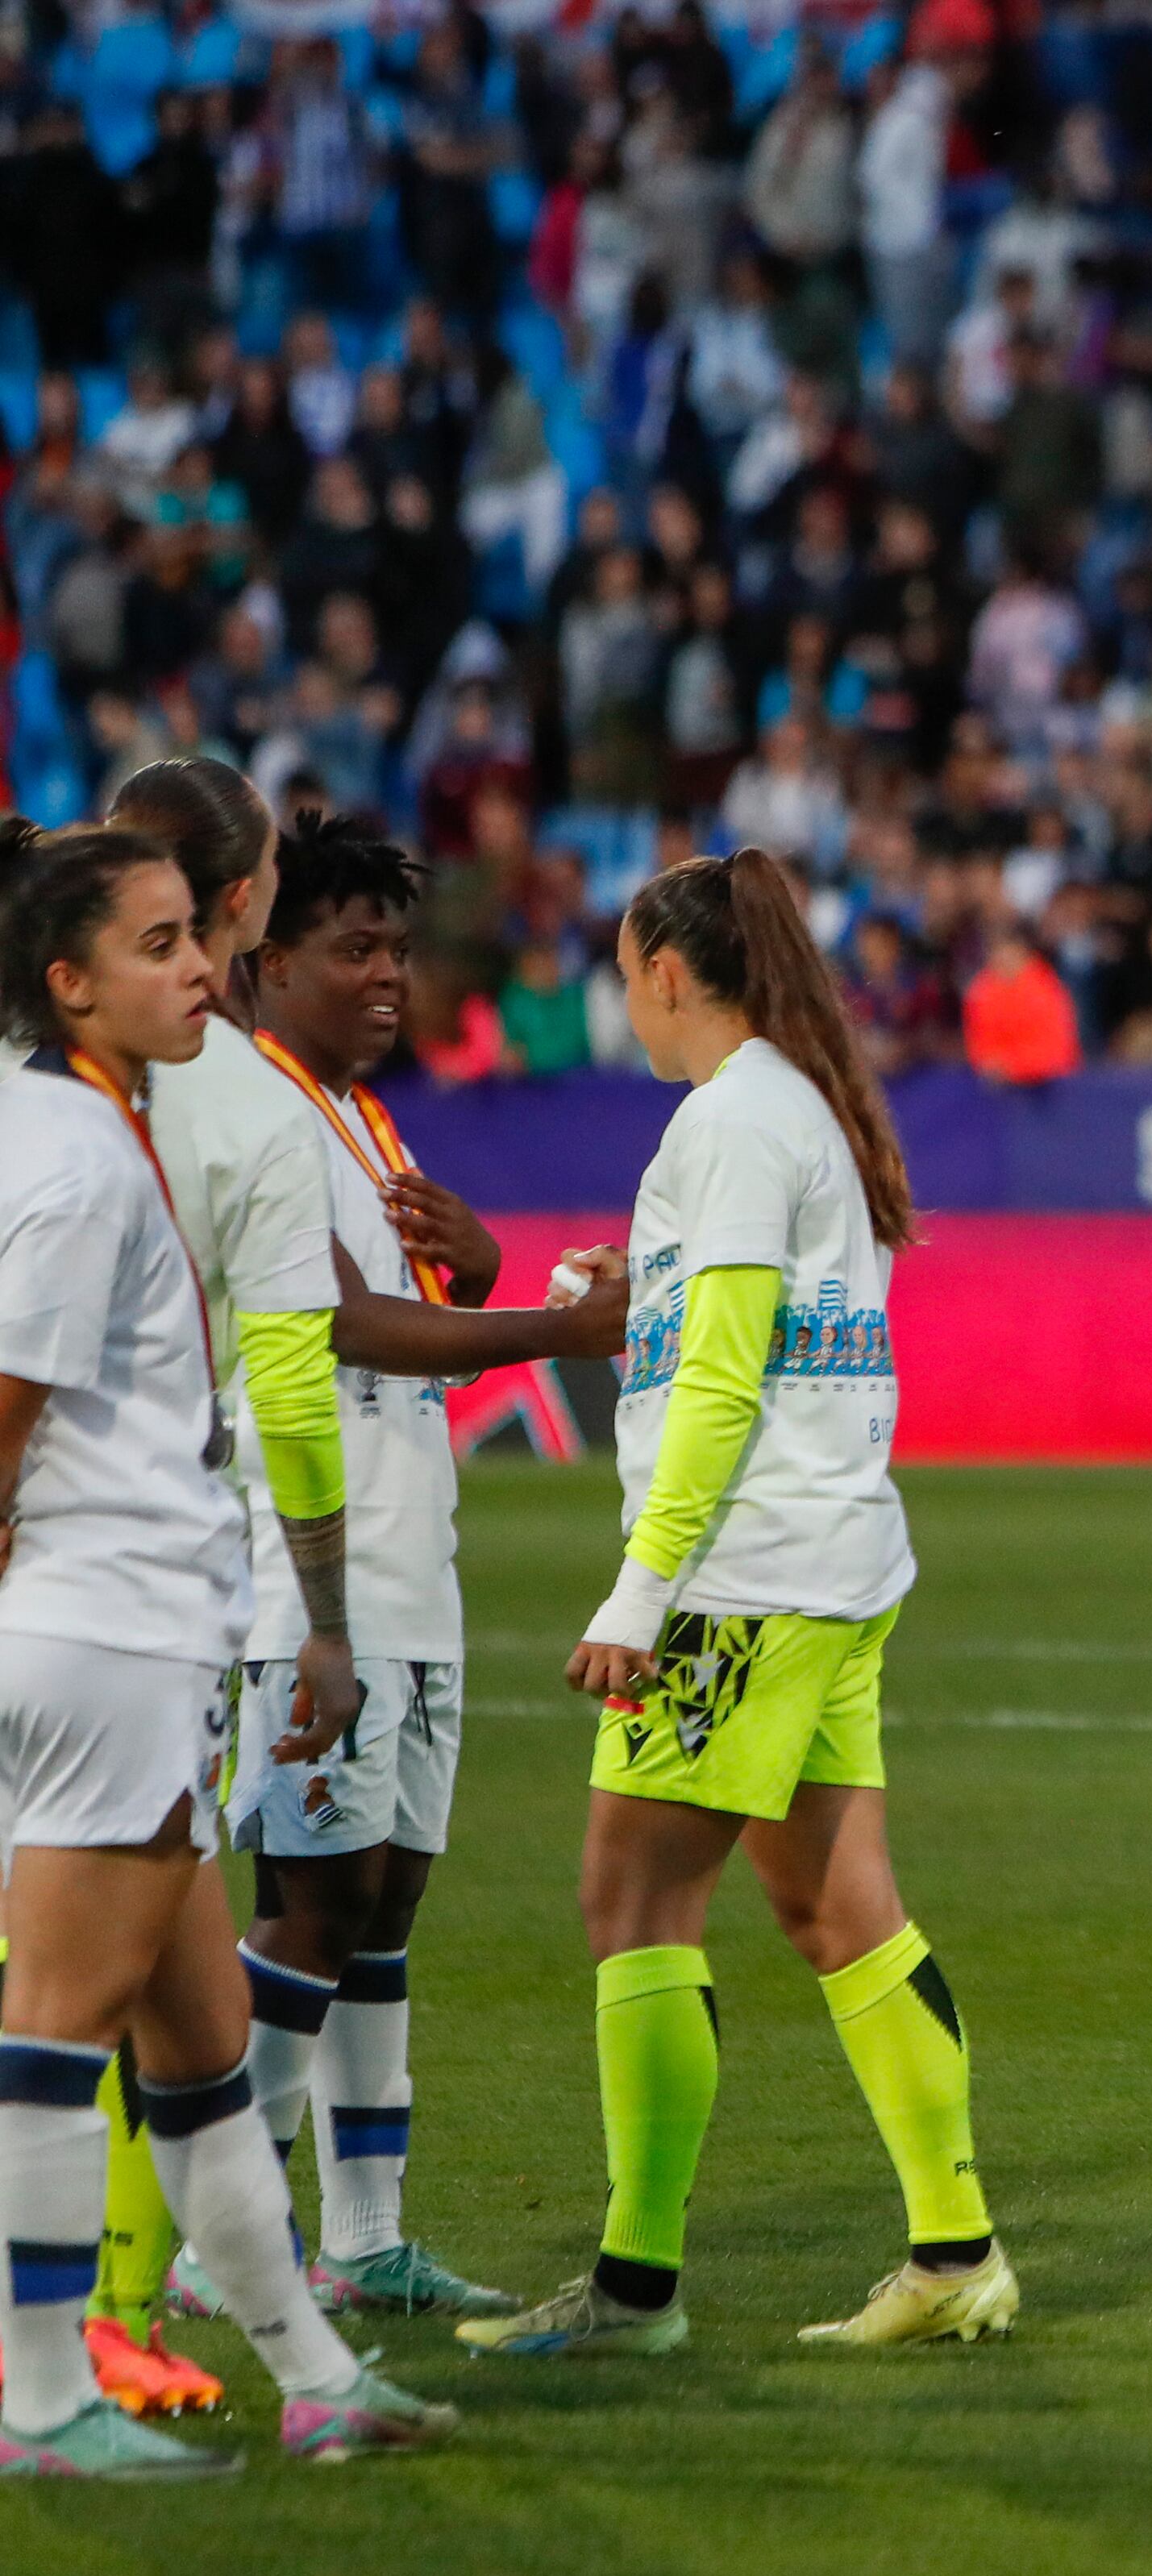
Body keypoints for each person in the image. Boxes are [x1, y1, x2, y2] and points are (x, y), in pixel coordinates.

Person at [461, 851, 1013, 2359]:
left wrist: (642, 1591)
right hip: (826, 1566)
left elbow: (722, 1381)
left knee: (632, 1896)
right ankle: (954, 2247)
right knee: (836, 1902)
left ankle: (636, 2288)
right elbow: (759, 1338)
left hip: (741, 1581)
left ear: (662, 970)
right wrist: (643, 1280)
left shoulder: (730, 1122)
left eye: (620, 969)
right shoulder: (796, 1109)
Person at [0, 819, 451, 2475]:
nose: (202, 966)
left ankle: (315, 2371)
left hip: (127, 1625)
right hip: (105, 1622)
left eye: (198, 932)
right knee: (51, 2028)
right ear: (70, 983)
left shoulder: (83, 1121)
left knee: (196, 2049)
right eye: (160, 942)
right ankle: (40, 2396)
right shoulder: (72, 1154)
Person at [201, 815, 620, 2325]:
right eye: (353, 950)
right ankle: (215, 2234)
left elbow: (415, 1292)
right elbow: (332, 1324)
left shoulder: (359, 1116)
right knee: (307, 1904)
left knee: (381, 1911)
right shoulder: (246, 1101)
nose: (388, 976)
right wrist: (549, 1335)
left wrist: (491, 1265)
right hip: (307, 1569)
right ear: (268, 962)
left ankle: (363, 2236)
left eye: (397, 948)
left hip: (408, 1565)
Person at [98, 755, 352, 2419]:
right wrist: (324, 1607)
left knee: (95, 1963)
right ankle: (104, 2313)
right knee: (111, 1960)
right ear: (250, 901)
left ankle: (179, 2324)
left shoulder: (40, 1067)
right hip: (144, 1578)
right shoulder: (247, 1102)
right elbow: (292, 1382)